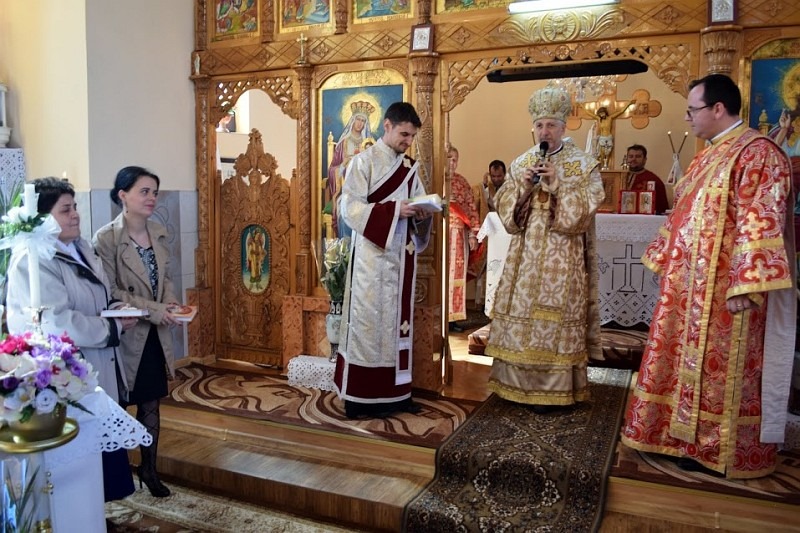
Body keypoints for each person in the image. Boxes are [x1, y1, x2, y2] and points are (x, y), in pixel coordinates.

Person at [620, 74, 796, 479]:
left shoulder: (757, 152)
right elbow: (682, 213)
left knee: (722, 372)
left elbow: (761, 217)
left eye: (692, 110)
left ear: (718, 108)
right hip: (687, 288)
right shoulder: (706, 156)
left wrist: (747, 282)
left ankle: (718, 450)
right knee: (682, 364)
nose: (687, 118)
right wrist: (666, 262)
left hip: (727, 291)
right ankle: (681, 439)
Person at [6, 177, 137, 502]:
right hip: (66, 373)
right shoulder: (34, 260)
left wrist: (115, 309)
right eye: (65, 210)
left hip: (98, 365)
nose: (75, 214)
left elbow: (95, 296)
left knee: (103, 460)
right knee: (79, 466)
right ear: (41, 218)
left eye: (75, 206)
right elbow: (57, 322)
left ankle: (97, 516)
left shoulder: (81, 249)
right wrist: (112, 328)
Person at [485, 87, 605, 413]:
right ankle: (515, 387)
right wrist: (524, 188)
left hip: (562, 259)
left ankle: (555, 391)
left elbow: (586, 210)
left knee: (555, 323)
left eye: (551, 125)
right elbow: (506, 212)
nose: (544, 131)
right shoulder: (522, 162)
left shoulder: (583, 164)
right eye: (540, 125)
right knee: (522, 320)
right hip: (524, 259)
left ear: (563, 128)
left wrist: (558, 186)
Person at [332, 102, 432, 419]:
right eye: (404, 134)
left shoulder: (409, 168)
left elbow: (419, 205)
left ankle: (397, 395)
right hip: (371, 263)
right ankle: (360, 399)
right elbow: (349, 209)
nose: (408, 141)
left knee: (395, 329)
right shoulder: (363, 162)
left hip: (401, 262)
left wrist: (422, 214)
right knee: (368, 329)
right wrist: (394, 211)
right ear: (387, 126)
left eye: (412, 136)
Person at [94, 166, 183, 497]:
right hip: (128, 334)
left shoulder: (158, 232)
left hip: (154, 335)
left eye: (154, 192)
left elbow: (166, 278)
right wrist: (157, 311)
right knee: (120, 405)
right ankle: (117, 478)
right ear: (123, 195)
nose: (152, 198)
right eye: (144, 191)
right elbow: (112, 291)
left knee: (150, 404)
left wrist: (171, 304)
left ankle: (149, 469)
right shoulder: (106, 238)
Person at [327, 101, 376, 238]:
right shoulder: (343, 143)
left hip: (368, 192)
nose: (360, 123)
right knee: (345, 212)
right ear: (352, 120)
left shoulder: (370, 144)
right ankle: (346, 246)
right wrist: (343, 165)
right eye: (358, 119)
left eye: (363, 120)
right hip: (346, 191)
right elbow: (332, 170)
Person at [446, 145, 481, 331]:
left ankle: (452, 318)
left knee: (456, 276)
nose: (452, 163)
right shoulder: (435, 180)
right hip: (440, 235)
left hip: (459, 236)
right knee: (441, 276)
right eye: (449, 158)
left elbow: (471, 207)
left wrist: (474, 233)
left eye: (455, 159)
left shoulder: (462, 182)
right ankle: (439, 317)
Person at [586, 99, 636, 169]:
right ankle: (601, 167)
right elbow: (589, 113)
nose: (602, 115)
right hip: (602, 138)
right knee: (602, 154)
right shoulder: (598, 119)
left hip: (608, 137)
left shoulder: (610, 118)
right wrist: (581, 106)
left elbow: (621, 111)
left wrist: (629, 104)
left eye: (602, 113)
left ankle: (606, 166)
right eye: (600, 114)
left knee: (608, 153)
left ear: (605, 112)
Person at [624, 144, 669, 214]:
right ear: (627, 159)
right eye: (631, 156)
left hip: (644, 217)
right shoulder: (619, 177)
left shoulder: (654, 179)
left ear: (645, 159)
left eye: (638, 156)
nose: (633, 159)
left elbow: (662, 208)